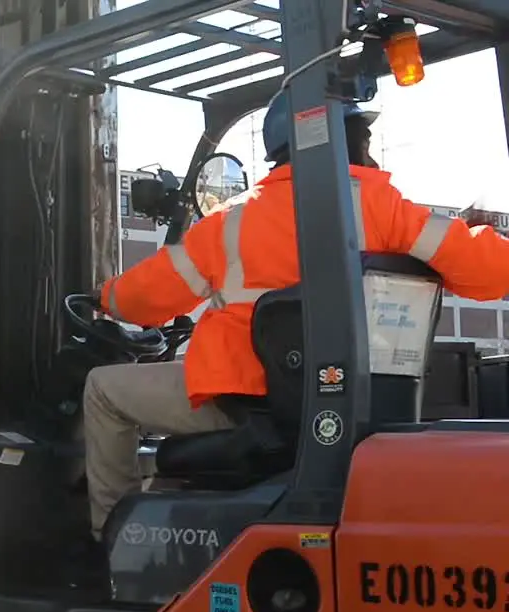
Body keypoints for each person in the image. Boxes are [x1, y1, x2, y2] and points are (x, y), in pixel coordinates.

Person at [81, 90, 509, 540]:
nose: (365, 144)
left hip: (247, 403)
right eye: (359, 134)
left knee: (102, 390)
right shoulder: (382, 208)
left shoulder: (233, 220)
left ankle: (106, 539)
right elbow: (492, 273)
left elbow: (147, 298)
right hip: (353, 403)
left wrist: (105, 297)